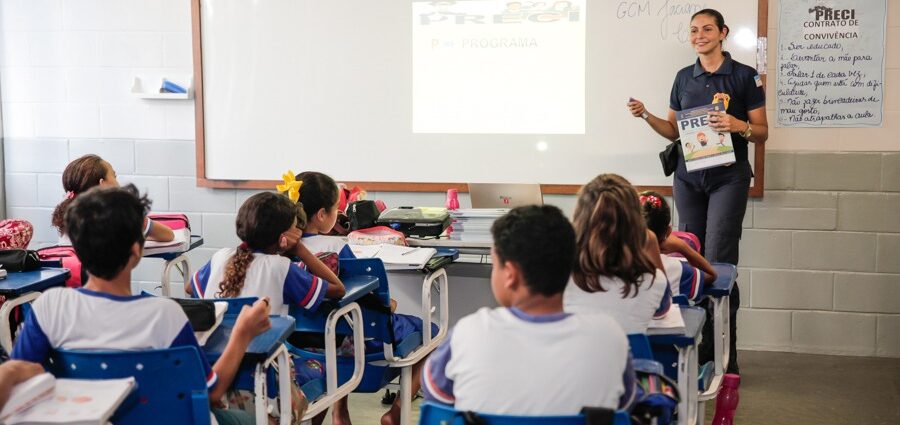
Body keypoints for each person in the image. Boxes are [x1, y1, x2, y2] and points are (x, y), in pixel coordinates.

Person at [13, 185, 271, 425]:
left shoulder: (48, 307)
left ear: (77, 250)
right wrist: (242, 333)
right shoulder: (164, 314)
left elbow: (18, 379)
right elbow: (212, 392)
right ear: (137, 251)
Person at [626, 8, 768, 373]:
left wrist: (737, 124)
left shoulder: (744, 76)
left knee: (719, 263)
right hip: (689, 179)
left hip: (728, 179)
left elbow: (762, 132)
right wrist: (645, 115)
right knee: (688, 259)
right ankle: (699, 351)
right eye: (693, 30)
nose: (699, 35)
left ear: (723, 33)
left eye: (706, 29)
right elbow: (673, 130)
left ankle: (725, 358)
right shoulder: (683, 77)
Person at [422, 205, 636, 415]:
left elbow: (437, 400)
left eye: (495, 265)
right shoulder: (610, 337)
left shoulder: (468, 333)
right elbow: (625, 407)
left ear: (510, 274)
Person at [186, 192, 345, 314]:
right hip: (266, 347)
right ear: (283, 235)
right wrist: (300, 249)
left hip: (217, 346)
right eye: (294, 226)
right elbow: (338, 289)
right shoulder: (280, 267)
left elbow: (189, 288)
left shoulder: (221, 256)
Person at [564, 174, 672, 334]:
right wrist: (652, 244)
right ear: (638, 224)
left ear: (578, 218)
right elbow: (662, 311)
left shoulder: (558, 277)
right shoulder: (654, 282)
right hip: (629, 351)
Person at [51, 154, 174, 243]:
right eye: (114, 176)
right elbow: (168, 235)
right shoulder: (118, 214)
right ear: (103, 184)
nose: (118, 183)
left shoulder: (67, 216)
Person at [639, 191, 716, 301]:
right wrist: (682, 247)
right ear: (668, 231)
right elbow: (711, 275)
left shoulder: (615, 266)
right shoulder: (677, 269)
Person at [295, 171, 356, 260]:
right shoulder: (336, 246)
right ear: (322, 215)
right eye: (336, 207)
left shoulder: (281, 246)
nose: (338, 212)